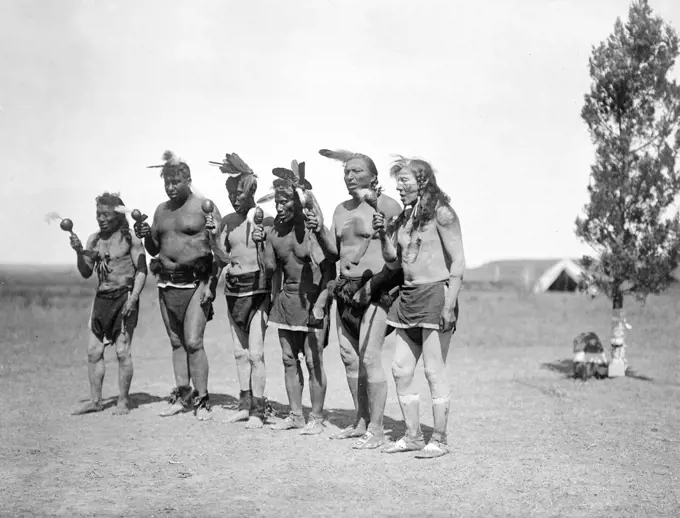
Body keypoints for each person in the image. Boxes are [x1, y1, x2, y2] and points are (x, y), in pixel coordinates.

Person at [369, 156, 465, 459]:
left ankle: (440, 439)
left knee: (434, 371)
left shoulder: (443, 213)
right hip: (408, 298)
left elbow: (459, 261)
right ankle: (412, 436)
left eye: (405, 180)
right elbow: (392, 261)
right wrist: (383, 233)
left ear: (422, 180)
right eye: (397, 181)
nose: (399, 187)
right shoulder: (406, 218)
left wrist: (449, 305)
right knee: (400, 369)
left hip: (436, 295)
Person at [313, 148, 402, 449]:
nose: (349, 177)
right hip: (345, 289)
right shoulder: (340, 210)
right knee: (350, 359)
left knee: (370, 357)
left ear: (374, 178)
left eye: (356, 172)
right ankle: (361, 420)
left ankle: (376, 429)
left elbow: (397, 256)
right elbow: (335, 253)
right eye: (346, 172)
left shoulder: (388, 206)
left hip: (376, 289)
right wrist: (318, 230)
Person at [135, 150, 222, 421]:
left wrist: (211, 286)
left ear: (188, 180)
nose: (172, 187)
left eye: (176, 182)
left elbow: (218, 250)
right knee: (176, 342)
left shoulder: (204, 206)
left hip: (196, 283)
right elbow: (153, 249)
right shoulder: (161, 210)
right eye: (168, 183)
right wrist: (146, 235)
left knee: (194, 342)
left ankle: (203, 399)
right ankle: (183, 395)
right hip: (166, 284)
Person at [252, 161, 336, 435]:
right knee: (289, 359)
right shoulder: (274, 231)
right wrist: (260, 243)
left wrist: (322, 304)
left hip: (313, 301)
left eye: (285, 200)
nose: (279, 206)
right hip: (286, 301)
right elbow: (269, 270)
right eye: (277, 200)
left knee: (314, 362)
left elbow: (329, 270)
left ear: (298, 202)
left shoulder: (312, 228)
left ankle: (317, 418)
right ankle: (296, 414)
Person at [205, 152, 276, 429]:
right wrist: (212, 237)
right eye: (231, 193)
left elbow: (270, 261)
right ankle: (244, 405)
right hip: (233, 291)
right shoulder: (228, 223)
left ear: (252, 190)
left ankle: (259, 410)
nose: (235, 197)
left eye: (240, 192)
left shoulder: (264, 220)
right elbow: (222, 258)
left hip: (257, 291)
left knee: (256, 353)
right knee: (239, 353)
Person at [70, 192, 147, 416]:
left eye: (106, 215)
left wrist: (133, 299)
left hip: (124, 297)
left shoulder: (130, 237)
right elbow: (85, 272)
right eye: (98, 214)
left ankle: (123, 401)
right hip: (101, 298)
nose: (101, 219)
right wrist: (78, 252)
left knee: (122, 352)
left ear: (118, 216)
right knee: (93, 352)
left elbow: (142, 270)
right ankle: (96, 401)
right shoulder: (94, 239)